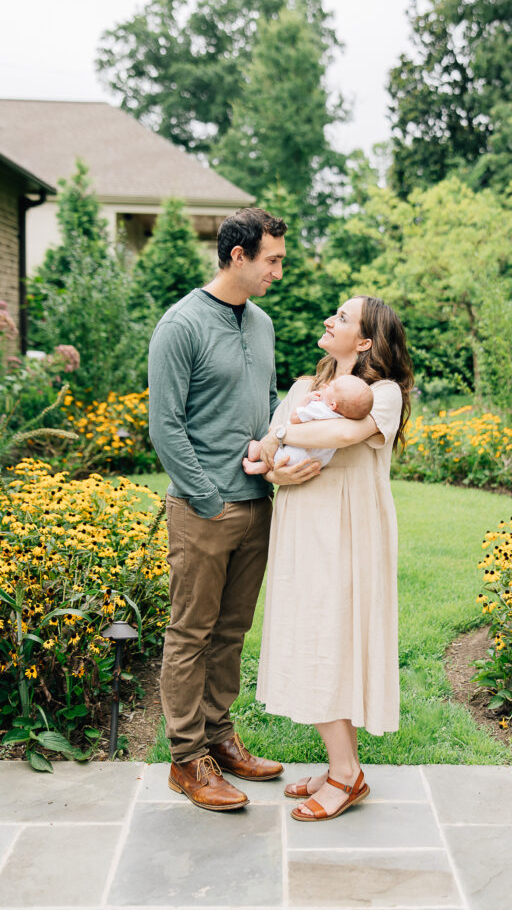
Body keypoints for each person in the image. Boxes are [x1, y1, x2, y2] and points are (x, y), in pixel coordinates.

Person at [148, 207, 320, 812]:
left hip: (257, 502)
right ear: (238, 255)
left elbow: (269, 406)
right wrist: (206, 496)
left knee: (230, 632)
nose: (279, 271)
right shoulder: (181, 325)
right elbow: (165, 426)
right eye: (272, 259)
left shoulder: (263, 323)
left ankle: (219, 738)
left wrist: (276, 459)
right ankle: (186, 758)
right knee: (190, 633)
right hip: (203, 509)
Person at [255, 295, 413, 821]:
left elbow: (342, 434)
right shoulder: (305, 387)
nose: (329, 319)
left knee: (333, 637)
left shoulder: (382, 393)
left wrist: (279, 433)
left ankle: (346, 775)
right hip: (302, 522)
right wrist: (277, 469)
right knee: (313, 637)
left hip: (348, 527)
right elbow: (271, 459)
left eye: (343, 317)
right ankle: (341, 766)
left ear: (365, 341)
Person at [242, 374, 373, 475]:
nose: (326, 385)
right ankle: (260, 466)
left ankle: (257, 451)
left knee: (278, 433)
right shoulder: (343, 418)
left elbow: (294, 418)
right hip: (315, 460)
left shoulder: (320, 409)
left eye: (330, 387)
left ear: (333, 405)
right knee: (282, 456)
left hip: (296, 453)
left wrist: (306, 400)